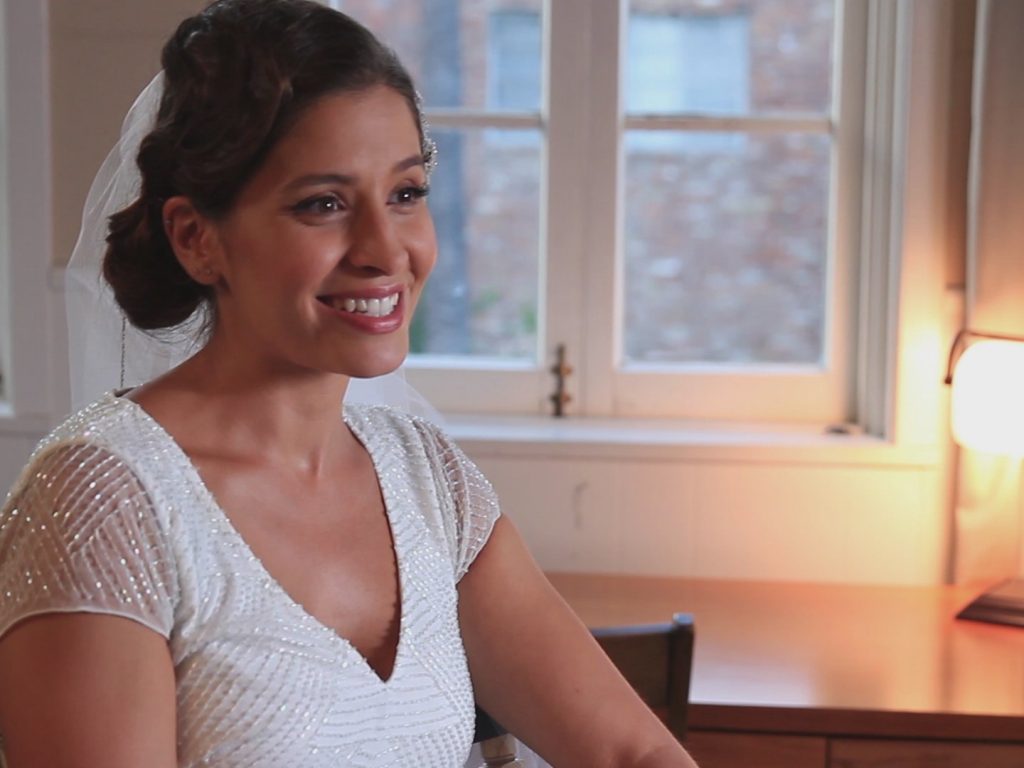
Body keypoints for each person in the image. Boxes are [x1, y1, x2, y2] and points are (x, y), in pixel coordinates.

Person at [0, 1, 699, 766]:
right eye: (324, 204)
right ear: (197, 239)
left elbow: (631, 751)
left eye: (405, 194)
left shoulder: (430, 481)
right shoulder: (105, 504)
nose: (384, 250)